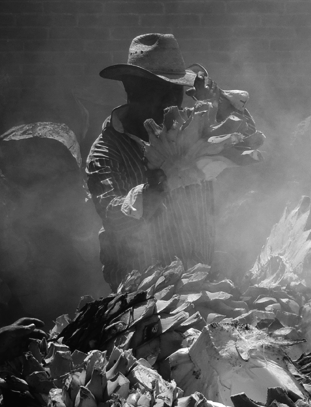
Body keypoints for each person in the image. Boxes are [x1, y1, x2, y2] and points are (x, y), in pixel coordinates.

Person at [86, 34, 226, 288]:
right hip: (142, 299)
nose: (171, 104)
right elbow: (115, 219)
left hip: (200, 282)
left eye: (176, 94)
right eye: (160, 94)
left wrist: (218, 111)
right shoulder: (105, 154)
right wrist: (159, 183)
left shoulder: (189, 134)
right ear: (131, 90)